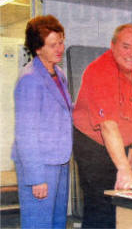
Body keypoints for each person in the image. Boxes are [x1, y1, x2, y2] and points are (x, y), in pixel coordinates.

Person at [72, 24, 132, 228]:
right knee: (102, 203)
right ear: (112, 45)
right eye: (126, 46)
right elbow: (108, 126)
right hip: (93, 145)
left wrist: (131, 151)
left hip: (121, 144)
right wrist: (123, 168)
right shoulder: (100, 71)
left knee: (123, 205)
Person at [12, 15, 72, 228]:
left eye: (61, 42)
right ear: (38, 49)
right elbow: (25, 133)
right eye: (53, 45)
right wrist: (36, 178)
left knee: (57, 222)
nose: (60, 48)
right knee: (38, 224)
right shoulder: (30, 79)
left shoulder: (59, 73)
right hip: (39, 165)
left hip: (59, 161)